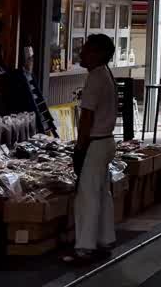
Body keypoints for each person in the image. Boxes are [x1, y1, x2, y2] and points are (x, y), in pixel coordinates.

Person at [69, 34, 118, 264]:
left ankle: (85, 247)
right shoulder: (106, 74)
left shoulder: (95, 78)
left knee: (87, 196)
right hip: (106, 141)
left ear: (98, 54)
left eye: (86, 50)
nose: (82, 53)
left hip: (95, 142)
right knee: (102, 193)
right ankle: (105, 238)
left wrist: (80, 146)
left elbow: (87, 116)